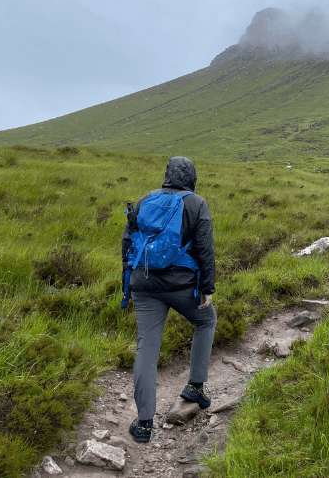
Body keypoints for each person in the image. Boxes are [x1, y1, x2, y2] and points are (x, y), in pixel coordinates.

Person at [121, 156, 217, 443]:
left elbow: (127, 243)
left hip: (143, 283)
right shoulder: (196, 204)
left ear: (167, 175)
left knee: (146, 348)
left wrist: (129, 283)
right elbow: (205, 249)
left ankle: (144, 424)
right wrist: (207, 288)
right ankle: (195, 387)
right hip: (182, 285)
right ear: (192, 177)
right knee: (206, 320)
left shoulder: (145, 200)